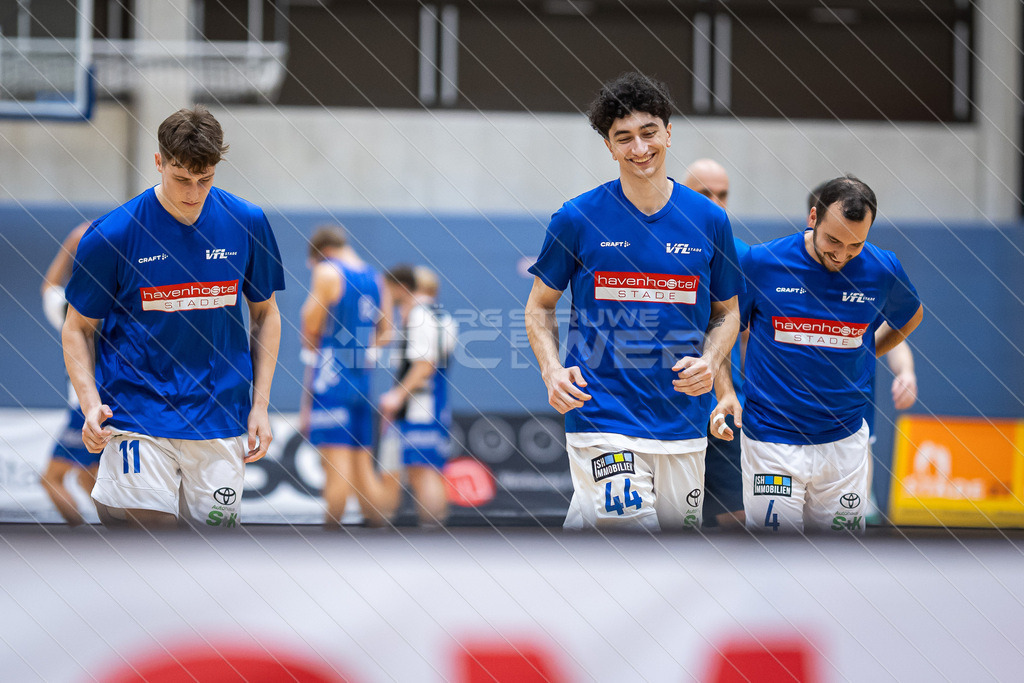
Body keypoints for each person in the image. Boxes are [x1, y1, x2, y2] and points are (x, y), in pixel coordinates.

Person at [525, 73, 744, 531]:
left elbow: (727, 313)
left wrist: (710, 360)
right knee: (632, 545)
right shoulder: (577, 218)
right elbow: (540, 306)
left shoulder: (709, 220)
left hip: (682, 423)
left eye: (648, 133)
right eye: (623, 138)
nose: (639, 148)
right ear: (609, 147)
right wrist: (550, 369)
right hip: (602, 413)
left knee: (669, 563)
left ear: (668, 132)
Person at [62, 105, 285, 530]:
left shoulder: (248, 222)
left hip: (221, 414)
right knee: (145, 545)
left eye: (206, 179)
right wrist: (91, 404)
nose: (194, 192)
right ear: (159, 162)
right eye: (182, 178)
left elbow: (266, 315)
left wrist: (261, 405)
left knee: (210, 561)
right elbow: (76, 328)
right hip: (138, 413)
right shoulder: (113, 234)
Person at [735, 175, 922, 534]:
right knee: (773, 558)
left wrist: (869, 350)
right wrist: (726, 392)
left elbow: (911, 315)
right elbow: (730, 324)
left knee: (840, 566)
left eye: (855, 245)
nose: (841, 254)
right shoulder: (762, 262)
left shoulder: (882, 269)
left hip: (845, 440)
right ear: (812, 219)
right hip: (771, 438)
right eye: (833, 240)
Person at [299, 225, 396, 527]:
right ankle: (384, 530)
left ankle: (329, 541)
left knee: (335, 467)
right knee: (362, 468)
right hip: (361, 380)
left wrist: (318, 345)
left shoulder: (328, 272)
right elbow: (387, 332)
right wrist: (362, 349)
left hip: (332, 379)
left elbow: (309, 323)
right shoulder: (376, 279)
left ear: (323, 253)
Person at [682, 159, 748, 528]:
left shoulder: (736, 252)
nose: (715, 202)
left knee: (736, 514)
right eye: (705, 193)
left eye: (722, 195)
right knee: (665, 518)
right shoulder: (649, 244)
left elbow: (743, 328)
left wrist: (735, 392)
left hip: (721, 404)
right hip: (664, 405)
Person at [378, 264, 457, 527]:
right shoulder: (441, 316)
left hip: (419, 407)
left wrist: (397, 396)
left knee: (423, 473)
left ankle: (433, 532)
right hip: (430, 404)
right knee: (411, 471)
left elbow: (425, 364)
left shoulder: (421, 316)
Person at [40, 221, 100, 526]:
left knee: (52, 478)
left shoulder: (70, 308)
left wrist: (70, 242)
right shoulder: (119, 302)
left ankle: (83, 540)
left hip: (86, 403)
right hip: (118, 400)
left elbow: (49, 287)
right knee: (92, 481)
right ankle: (128, 538)